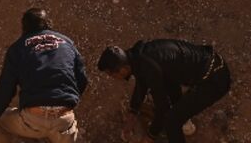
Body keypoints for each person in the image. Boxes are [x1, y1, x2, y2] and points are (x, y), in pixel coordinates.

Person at [0, 8, 89, 142]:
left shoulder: (17, 48)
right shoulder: (67, 43)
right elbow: (82, 80)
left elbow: (5, 91)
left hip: (33, 120)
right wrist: (65, 101)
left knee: (3, 123)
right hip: (64, 120)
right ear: (48, 23)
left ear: (24, 28)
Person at [98, 39, 231, 143]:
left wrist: (150, 136)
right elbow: (142, 82)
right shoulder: (137, 57)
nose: (113, 78)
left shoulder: (149, 67)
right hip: (212, 63)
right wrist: (133, 112)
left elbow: (163, 109)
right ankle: (185, 121)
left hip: (213, 81)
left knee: (171, 121)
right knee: (167, 80)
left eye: (112, 74)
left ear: (122, 70)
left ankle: (180, 122)